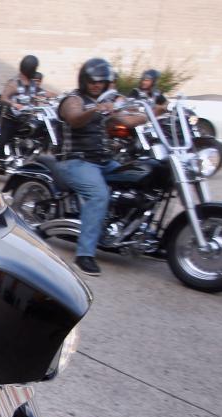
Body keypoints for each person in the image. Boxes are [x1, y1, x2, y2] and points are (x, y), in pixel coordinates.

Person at [56, 58, 146, 276]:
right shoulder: (73, 99)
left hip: (104, 161)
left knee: (141, 177)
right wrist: (95, 109)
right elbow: (75, 118)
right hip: (77, 161)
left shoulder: (107, 102)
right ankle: (84, 255)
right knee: (99, 194)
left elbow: (126, 120)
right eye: (92, 80)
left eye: (101, 81)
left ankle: (128, 232)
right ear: (84, 80)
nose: (97, 84)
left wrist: (155, 113)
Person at [0, 54, 45, 172]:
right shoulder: (14, 83)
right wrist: (14, 104)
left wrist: (60, 98)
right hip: (10, 120)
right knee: (0, 145)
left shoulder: (33, 83)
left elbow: (42, 94)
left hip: (25, 120)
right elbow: (3, 98)